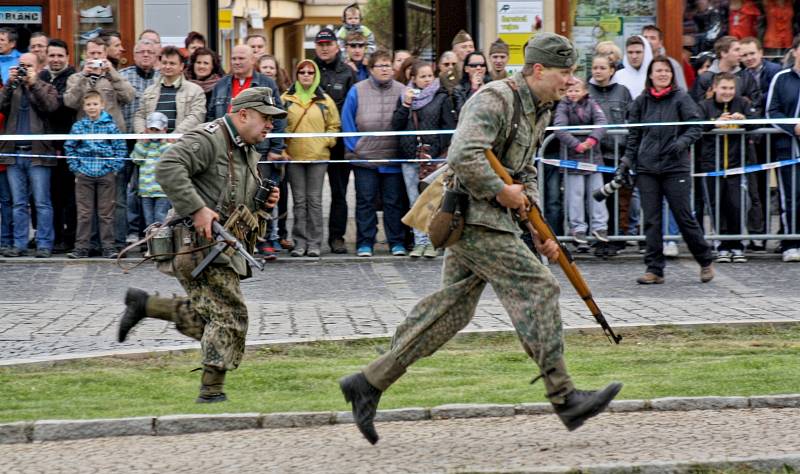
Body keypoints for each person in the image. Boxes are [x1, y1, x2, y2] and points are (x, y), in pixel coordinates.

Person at [339, 33, 622, 446]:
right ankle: (564, 396)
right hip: (472, 217)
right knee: (538, 286)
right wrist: (500, 191)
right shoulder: (495, 99)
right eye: (564, 72)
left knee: (452, 308)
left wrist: (536, 224)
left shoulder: (542, 106)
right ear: (539, 69)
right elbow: (464, 154)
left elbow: (523, 171)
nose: (569, 81)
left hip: (498, 219)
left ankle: (368, 382)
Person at [118, 88, 285, 402]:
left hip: (221, 248)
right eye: (266, 119)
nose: (270, 127)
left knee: (213, 318)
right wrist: (196, 208)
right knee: (230, 317)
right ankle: (211, 394)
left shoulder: (246, 148)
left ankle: (146, 305)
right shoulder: (209, 138)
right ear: (244, 114)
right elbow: (167, 167)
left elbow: (231, 194)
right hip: (198, 248)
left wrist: (263, 201)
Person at [619, 56, 714, 284]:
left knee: (683, 216)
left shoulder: (681, 98)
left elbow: (696, 126)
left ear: (671, 74)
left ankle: (705, 259)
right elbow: (634, 136)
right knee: (651, 220)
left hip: (675, 167)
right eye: (658, 71)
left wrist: (681, 143)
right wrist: (626, 162)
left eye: (666, 71)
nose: (663, 74)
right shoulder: (641, 101)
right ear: (650, 75)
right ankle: (655, 269)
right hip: (647, 168)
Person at [340, 50, 408, 257]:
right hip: (365, 157)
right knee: (365, 201)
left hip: (392, 156)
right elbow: (347, 121)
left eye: (388, 65)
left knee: (393, 201)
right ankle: (365, 242)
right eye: (381, 65)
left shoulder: (403, 90)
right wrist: (355, 147)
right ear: (371, 69)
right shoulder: (357, 90)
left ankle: (396, 241)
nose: (385, 69)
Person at [391, 60, 456, 258]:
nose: (427, 80)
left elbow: (448, 127)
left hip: (433, 157)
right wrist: (405, 105)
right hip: (410, 157)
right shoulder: (404, 97)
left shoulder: (442, 97)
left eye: (430, 76)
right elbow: (396, 125)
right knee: (414, 200)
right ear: (414, 79)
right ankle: (419, 242)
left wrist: (436, 150)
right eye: (423, 77)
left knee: (433, 200)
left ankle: (432, 241)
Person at [0, 52, 58, 258]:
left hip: (38, 153)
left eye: (28, 66)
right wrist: (9, 83)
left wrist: (34, 83)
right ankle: (19, 244)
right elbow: (1, 105)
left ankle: (44, 244)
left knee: (42, 202)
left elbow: (50, 107)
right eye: (21, 65)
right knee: (18, 203)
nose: (23, 69)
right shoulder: (13, 88)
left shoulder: (47, 87)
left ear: (39, 68)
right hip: (14, 153)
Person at [282, 59, 341, 257]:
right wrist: (283, 149)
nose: (306, 75)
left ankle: (315, 243)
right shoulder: (286, 99)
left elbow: (334, 126)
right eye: (302, 72)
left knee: (314, 200)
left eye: (310, 72)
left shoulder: (325, 100)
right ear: (296, 75)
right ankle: (299, 242)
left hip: (318, 157)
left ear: (316, 76)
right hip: (294, 157)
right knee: (299, 201)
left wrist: (326, 142)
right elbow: (278, 126)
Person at [698, 72, 757, 263]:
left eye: (731, 88)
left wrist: (745, 120)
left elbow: (759, 123)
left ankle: (737, 245)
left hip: (736, 166)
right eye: (723, 88)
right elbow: (695, 127)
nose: (727, 92)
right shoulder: (704, 106)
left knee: (737, 205)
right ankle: (721, 245)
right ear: (714, 87)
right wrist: (713, 123)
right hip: (711, 165)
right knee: (716, 205)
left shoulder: (743, 104)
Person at [63, 91, 127, 259]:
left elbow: (120, 147)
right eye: (88, 105)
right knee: (84, 213)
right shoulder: (79, 126)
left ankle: (108, 247)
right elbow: (70, 148)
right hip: (84, 173)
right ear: (84, 107)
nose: (92, 108)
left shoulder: (110, 126)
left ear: (102, 105)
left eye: (95, 104)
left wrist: (114, 168)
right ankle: (82, 247)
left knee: (106, 213)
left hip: (106, 173)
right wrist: (75, 168)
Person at [314, 27, 357, 254]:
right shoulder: (308, 70)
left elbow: (354, 107)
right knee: (310, 195)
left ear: (336, 46)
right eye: (320, 45)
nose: (324, 48)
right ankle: (311, 239)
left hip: (339, 143)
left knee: (339, 193)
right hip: (314, 142)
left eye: (328, 44)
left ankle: (337, 237)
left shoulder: (348, 72)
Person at [554, 77, 609, 255]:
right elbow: (559, 128)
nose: (572, 93)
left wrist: (591, 140)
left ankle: (600, 226)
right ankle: (578, 228)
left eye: (576, 90)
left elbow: (602, 122)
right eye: (569, 90)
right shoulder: (563, 105)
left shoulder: (592, 104)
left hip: (593, 158)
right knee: (575, 197)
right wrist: (576, 144)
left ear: (585, 91)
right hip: (572, 158)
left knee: (597, 194)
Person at [740, 36, 782, 251]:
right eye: (744, 55)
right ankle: (759, 234)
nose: (748, 58)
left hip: (775, 137)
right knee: (756, 189)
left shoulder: (775, 71)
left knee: (781, 187)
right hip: (754, 140)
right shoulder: (741, 75)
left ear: (760, 52)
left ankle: (784, 233)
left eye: (751, 54)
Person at [588, 54, 633, 251]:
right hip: (594, 155)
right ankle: (599, 238)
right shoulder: (586, 92)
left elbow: (631, 118)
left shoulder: (622, 92)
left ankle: (615, 237)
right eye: (595, 67)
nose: (598, 71)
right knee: (597, 197)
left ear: (612, 71)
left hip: (616, 153)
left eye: (602, 68)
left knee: (616, 197)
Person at [119, 38, 160, 245]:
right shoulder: (123, 76)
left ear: (156, 55)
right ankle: (131, 230)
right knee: (130, 189)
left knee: (151, 189)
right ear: (134, 55)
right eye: (141, 51)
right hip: (129, 140)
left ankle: (149, 230)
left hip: (157, 145)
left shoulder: (162, 77)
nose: (145, 55)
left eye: (150, 52)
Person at [41, 39, 78, 254]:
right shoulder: (42, 77)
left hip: (68, 146)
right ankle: (51, 237)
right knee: (49, 195)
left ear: (67, 58)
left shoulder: (73, 77)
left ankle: (69, 238)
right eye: (52, 55)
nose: (55, 60)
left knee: (69, 197)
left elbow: (63, 107)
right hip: (44, 145)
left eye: (59, 56)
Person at [766, 35, 800, 263]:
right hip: (789, 149)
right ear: (794, 51)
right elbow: (771, 111)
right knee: (791, 197)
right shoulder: (781, 78)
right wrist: (793, 126)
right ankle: (791, 242)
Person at [133, 46, 206, 134]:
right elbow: (140, 116)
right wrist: (142, 135)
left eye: (172, 63)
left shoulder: (195, 91)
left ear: (181, 66)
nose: (167, 66)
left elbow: (196, 117)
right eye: (164, 63)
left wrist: (173, 137)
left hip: (182, 144)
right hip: (153, 145)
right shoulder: (149, 91)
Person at [690, 36, 762, 115]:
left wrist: (745, 117)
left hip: (740, 125)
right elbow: (696, 108)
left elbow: (756, 106)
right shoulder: (704, 78)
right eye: (736, 50)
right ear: (724, 53)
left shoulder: (746, 77)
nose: (741, 54)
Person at [131, 112, 172, 226]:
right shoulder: (141, 146)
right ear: (146, 130)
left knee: (160, 218)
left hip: (163, 192)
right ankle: (150, 242)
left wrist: (164, 142)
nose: (154, 133)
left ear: (164, 130)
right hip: (146, 191)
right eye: (151, 129)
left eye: (157, 130)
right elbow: (136, 160)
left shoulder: (168, 147)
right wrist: (144, 144)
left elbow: (169, 162)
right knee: (148, 221)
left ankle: (162, 243)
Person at [641, 25, 688, 91]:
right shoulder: (636, 64)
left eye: (653, 38)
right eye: (645, 38)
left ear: (660, 43)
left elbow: (682, 90)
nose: (648, 41)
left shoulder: (672, 64)